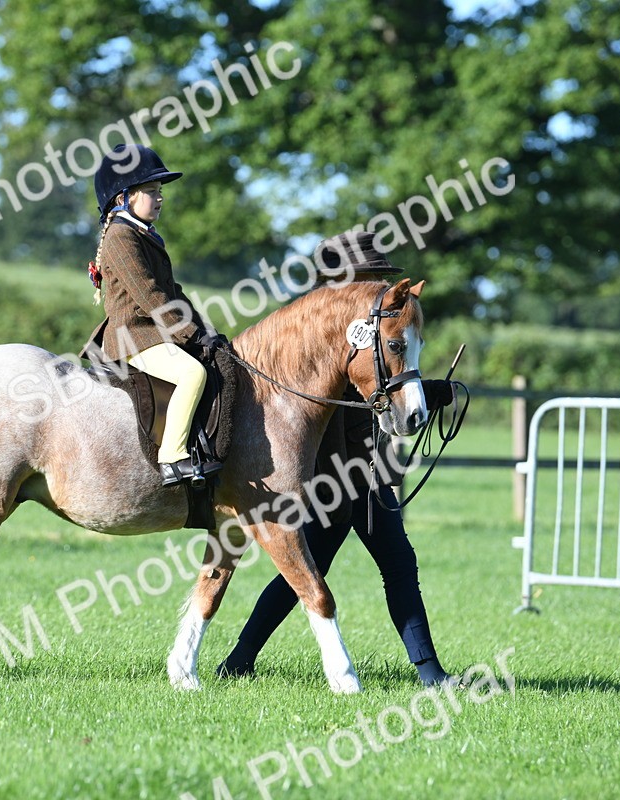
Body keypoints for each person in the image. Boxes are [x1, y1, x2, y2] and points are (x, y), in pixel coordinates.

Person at [216, 230, 458, 686]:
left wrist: (423, 391)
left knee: (393, 566)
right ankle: (238, 660)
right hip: (335, 479)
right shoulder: (325, 331)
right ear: (346, 277)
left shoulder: (367, 325)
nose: (378, 286)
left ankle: (431, 673)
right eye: (371, 276)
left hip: (361, 476)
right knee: (312, 573)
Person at [82, 144, 226, 487]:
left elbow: (172, 291)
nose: (159, 198)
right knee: (192, 374)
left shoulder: (143, 234)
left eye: (160, 192)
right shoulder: (120, 235)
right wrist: (189, 334)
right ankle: (173, 458)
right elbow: (149, 295)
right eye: (150, 191)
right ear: (123, 199)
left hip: (153, 333)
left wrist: (205, 329)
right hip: (135, 335)